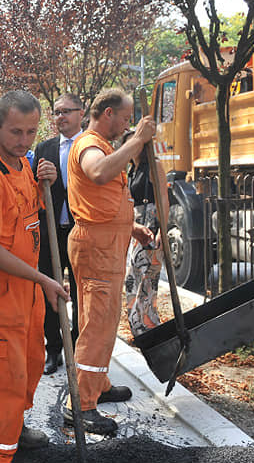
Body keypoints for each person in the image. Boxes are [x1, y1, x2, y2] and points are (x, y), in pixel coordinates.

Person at [0, 90, 70, 463]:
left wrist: (46, 183)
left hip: (24, 291)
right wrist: (43, 280)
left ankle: (14, 429)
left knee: (27, 365)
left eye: (30, 132)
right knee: (1, 378)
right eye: (15, 132)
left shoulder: (23, 166)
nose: (24, 142)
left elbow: (31, 215)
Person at [64, 88, 156, 435]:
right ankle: (82, 405)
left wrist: (130, 227)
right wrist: (137, 143)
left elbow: (99, 198)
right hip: (97, 248)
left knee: (100, 320)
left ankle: (96, 383)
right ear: (107, 114)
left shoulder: (103, 144)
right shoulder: (89, 145)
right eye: (125, 117)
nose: (128, 124)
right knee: (97, 325)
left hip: (108, 244)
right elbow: (99, 174)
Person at [33, 93, 85, 375]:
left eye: (66, 111)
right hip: (50, 231)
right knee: (50, 290)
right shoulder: (45, 148)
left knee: (80, 294)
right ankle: (52, 349)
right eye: (56, 112)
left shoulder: (91, 147)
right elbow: (33, 189)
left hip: (81, 232)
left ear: (81, 112)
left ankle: (77, 350)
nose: (60, 117)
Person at [122, 129, 170, 337]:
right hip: (135, 225)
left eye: (135, 142)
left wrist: (162, 229)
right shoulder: (132, 169)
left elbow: (163, 199)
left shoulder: (154, 165)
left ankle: (147, 325)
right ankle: (137, 323)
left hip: (151, 224)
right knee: (133, 276)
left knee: (147, 278)